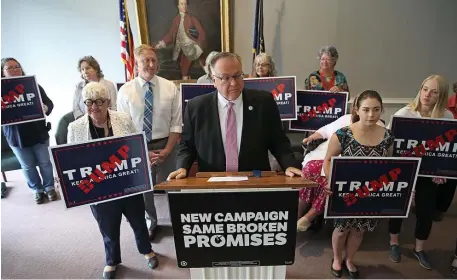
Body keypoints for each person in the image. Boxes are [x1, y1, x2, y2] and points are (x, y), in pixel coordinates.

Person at [67, 82, 158, 279]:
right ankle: (112, 260)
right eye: (89, 102)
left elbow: (136, 144)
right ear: (84, 104)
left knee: (138, 220)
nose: (95, 106)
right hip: (98, 187)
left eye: (100, 101)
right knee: (107, 226)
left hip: (127, 183)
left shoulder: (123, 119)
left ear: (108, 101)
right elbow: (70, 158)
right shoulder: (75, 127)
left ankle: (146, 250)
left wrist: (145, 157)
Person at [167, 52, 302, 179]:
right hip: (212, 182)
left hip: (255, 181)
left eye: (237, 75)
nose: (234, 83)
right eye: (225, 78)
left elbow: (278, 140)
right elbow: (187, 145)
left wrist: (288, 164)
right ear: (213, 80)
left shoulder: (263, 102)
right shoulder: (196, 107)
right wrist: (182, 167)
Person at [324, 90, 394, 278]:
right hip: (345, 193)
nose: (371, 114)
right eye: (366, 109)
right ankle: (337, 259)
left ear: (382, 110)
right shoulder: (343, 134)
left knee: (359, 230)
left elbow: (391, 166)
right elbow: (328, 160)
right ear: (357, 109)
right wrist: (332, 181)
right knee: (341, 229)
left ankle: (350, 259)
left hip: (370, 193)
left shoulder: (388, 137)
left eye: (376, 109)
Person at [387, 75, 454, 270]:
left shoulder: (447, 117)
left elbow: (448, 149)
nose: (427, 94)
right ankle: (394, 243)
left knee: (426, 213)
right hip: (404, 171)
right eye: (425, 89)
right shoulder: (404, 114)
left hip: (429, 174)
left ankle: (419, 248)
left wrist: (443, 170)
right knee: (398, 210)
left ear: (441, 96)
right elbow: (391, 146)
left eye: (434, 92)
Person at [117, 44, 182, 241]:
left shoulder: (170, 87)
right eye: (146, 60)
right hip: (138, 147)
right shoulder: (125, 92)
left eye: (154, 60)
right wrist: (141, 152)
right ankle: (151, 223)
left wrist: (168, 149)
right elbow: (123, 126)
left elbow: (176, 123)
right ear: (136, 64)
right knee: (144, 190)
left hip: (167, 145)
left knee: (173, 186)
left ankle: (178, 223)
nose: (151, 64)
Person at [297, 113, 385, 231]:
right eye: (365, 109)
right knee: (309, 169)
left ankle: (309, 217)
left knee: (332, 183)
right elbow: (326, 130)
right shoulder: (346, 119)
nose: (369, 113)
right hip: (324, 156)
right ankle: (297, 215)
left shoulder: (380, 129)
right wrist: (313, 137)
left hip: (348, 168)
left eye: (373, 109)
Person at [1, 57, 56, 204]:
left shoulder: (32, 85)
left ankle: (49, 187)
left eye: (16, 67)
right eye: (9, 68)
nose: (14, 70)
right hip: (16, 136)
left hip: (38, 132)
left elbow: (49, 103)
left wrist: (45, 108)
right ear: (3, 72)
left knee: (45, 163)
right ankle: (37, 190)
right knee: (27, 166)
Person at [155, 0, 207, 80]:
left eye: (185, 4)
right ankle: (186, 85)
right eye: (182, 4)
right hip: (182, 48)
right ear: (178, 6)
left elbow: (201, 33)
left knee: (204, 64)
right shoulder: (176, 19)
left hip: (193, 46)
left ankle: (212, 79)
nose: (184, 6)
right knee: (184, 69)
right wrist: (162, 43)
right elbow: (171, 33)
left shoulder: (192, 18)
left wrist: (198, 45)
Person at [72, 56, 117, 120]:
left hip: (105, 121)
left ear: (96, 69)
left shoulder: (109, 85)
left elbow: (113, 107)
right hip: (84, 121)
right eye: (82, 69)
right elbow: (76, 108)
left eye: (88, 68)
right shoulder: (79, 86)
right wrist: (83, 121)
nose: (85, 71)